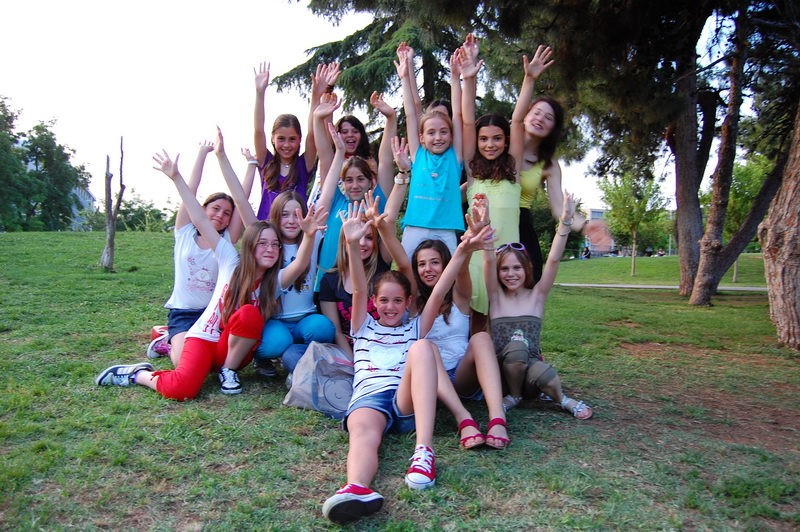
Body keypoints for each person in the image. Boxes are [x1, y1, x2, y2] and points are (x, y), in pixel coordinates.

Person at [95, 131, 326, 400]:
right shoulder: (230, 260)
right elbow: (203, 218)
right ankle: (137, 374)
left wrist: (309, 235)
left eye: (275, 245)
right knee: (183, 389)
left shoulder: (274, 280)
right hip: (204, 336)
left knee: (249, 314)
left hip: (231, 350)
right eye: (263, 243)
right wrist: (178, 177)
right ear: (250, 245)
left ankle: (228, 371)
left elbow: (300, 263)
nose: (270, 249)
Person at [321, 202, 487, 525]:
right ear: (374, 302)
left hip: (405, 400)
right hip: (369, 397)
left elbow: (440, 290)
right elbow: (358, 287)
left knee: (423, 347)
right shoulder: (362, 326)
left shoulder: (414, 327)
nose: (390, 306)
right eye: (384, 300)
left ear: (409, 302)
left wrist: (463, 249)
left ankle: (423, 453)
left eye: (398, 300)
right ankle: (357, 488)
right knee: (362, 432)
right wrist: (352, 244)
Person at [483, 191, 593, 418]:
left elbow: (553, 259)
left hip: (530, 372)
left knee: (544, 372)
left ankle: (562, 400)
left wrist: (565, 220)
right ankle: (513, 396)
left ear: (527, 269)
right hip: (501, 374)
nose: (511, 274)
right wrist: (485, 224)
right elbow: (488, 258)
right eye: (504, 269)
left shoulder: (537, 296)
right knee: (516, 347)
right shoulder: (496, 296)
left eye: (517, 268)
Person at [516, 55, 611, 282]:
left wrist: (586, 226)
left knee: (525, 287)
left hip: (520, 226)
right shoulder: (501, 143)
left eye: (548, 118)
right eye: (536, 112)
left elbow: (558, 208)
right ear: (525, 114)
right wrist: (529, 78)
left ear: (553, 128)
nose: (540, 119)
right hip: (488, 220)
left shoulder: (549, 164)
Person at [150, 142, 246, 366]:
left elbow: (242, 199)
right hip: (183, 313)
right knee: (182, 363)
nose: (220, 215)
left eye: (227, 213)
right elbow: (189, 192)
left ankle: (170, 338)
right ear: (202, 209)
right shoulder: (184, 231)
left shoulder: (226, 241)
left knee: (213, 362)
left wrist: (250, 164)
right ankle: (167, 342)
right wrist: (201, 154)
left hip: (212, 315)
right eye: (215, 209)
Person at [253, 190, 336, 377]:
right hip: (275, 320)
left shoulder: (312, 237)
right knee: (275, 343)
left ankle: (296, 355)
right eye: (284, 214)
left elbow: (327, 195)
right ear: (275, 216)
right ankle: (264, 358)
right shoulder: (270, 246)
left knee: (323, 328)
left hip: (305, 318)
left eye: (297, 215)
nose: (291, 221)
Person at [395, 45, 464, 259]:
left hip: (446, 229)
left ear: (451, 135)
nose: (438, 137)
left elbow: (459, 115)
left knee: (448, 274)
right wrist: (405, 75)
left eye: (444, 132)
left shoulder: (454, 157)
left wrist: (455, 77)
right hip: (415, 226)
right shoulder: (419, 154)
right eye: (431, 133)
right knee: (408, 271)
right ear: (422, 137)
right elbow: (411, 113)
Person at [313, 112, 391, 291]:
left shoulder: (376, 203)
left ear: (371, 181)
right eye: (349, 180)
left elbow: (386, 162)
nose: (354, 185)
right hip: (328, 288)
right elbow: (325, 159)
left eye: (360, 179)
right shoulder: (335, 202)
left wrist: (391, 118)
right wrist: (318, 119)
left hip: (366, 288)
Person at [252, 61, 332, 219]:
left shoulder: (303, 165)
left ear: (300, 140)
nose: (287, 145)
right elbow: (258, 130)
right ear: (273, 139)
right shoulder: (266, 162)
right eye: (281, 139)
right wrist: (260, 93)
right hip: (267, 230)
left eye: (292, 139)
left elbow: (312, 134)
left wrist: (315, 96)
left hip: (296, 230)